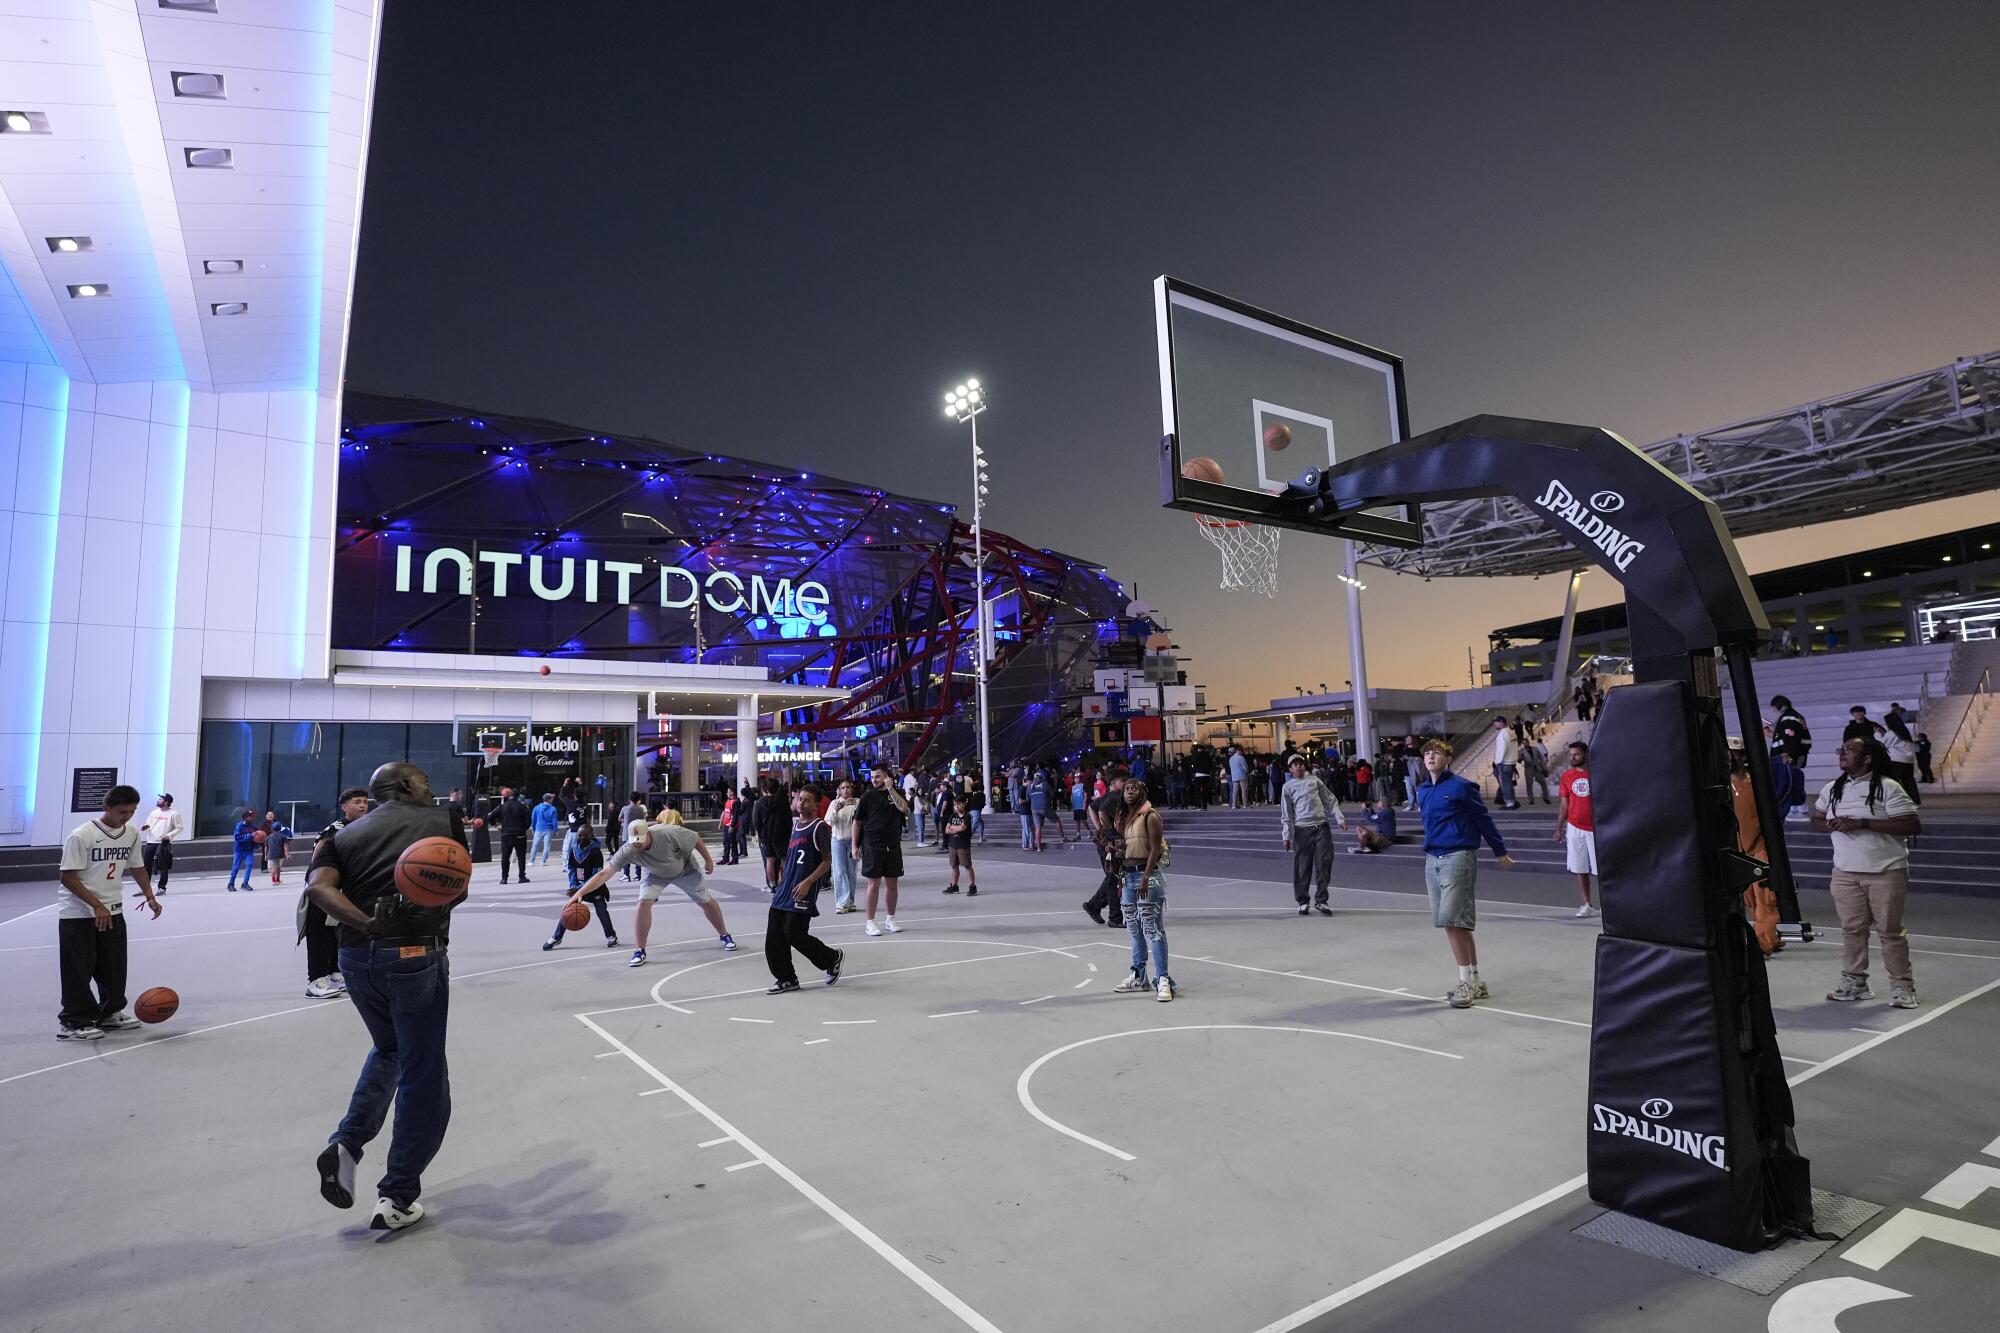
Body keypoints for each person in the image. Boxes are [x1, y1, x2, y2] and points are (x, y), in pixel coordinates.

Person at [307, 762, 466, 1231]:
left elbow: (318, 889)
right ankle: (397, 1195)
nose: (430, 788)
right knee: (424, 1074)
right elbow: (454, 887)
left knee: (390, 1048)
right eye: (425, 781)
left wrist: (366, 923)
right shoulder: (441, 820)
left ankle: (347, 1144)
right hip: (415, 956)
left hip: (356, 961)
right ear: (405, 786)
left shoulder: (344, 833)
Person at [1814, 738, 1922, 1008]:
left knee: (1889, 931)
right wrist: (1829, 823)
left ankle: (1902, 986)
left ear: (1868, 758)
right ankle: (1855, 982)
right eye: (1842, 749)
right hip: (1845, 872)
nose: (1843, 753)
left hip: (1885, 871)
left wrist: (1861, 823)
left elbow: (1911, 824)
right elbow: (1815, 818)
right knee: (1852, 929)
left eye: (1849, 750)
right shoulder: (1832, 788)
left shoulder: (1888, 787)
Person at [1415, 740, 1516, 1008]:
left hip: (1458, 857)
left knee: (1452, 919)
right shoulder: (1423, 790)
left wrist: (1500, 851)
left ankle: (1465, 984)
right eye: (1426, 753)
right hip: (1432, 859)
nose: (1430, 756)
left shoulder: (1461, 787)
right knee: (1454, 922)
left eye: (1436, 752)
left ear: (1448, 758)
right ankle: (1475, 980)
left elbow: (1484, 819)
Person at [56, 784, 161, 1041]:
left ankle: (111, 1013)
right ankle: (74, 1020)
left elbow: (137, 867)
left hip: (112, 909)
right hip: (79, 912)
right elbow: (67, 877)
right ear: (106, 807)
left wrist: (149, 895)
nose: (127, 816)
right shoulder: (81, 835)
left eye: (132, 811)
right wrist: (96, 905)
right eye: (122, 811)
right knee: (79, 969)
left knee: (113, 966)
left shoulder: (132, 834)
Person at [573, 808, 730, 966]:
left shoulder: (668, 833)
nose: (637, 846)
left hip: (685, 869)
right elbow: (603, 874)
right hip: (655, 874)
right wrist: (579, 893)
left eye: (640, 841)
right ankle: (639, 950)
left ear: (648, 833)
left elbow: (695, 838)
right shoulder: (628, 849)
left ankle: (724, 935)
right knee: (642, 904)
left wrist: (708, 860)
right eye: (635, 842)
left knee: (705, 901)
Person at [764, 784, 844, 994]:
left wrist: (808, 882)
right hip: (785, 890)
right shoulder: (795, 825)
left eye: (807, 800)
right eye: (800, 799)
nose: (802, 803)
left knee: (794, 933)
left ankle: (832, 957)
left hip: (803, 890)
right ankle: (787, 978)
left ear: (817, 804)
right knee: (774, 938)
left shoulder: (818, 828)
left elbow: (827, 861)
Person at [1110, 777, 1175, 1001]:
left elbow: (1155, 849)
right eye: (1126, 789)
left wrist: (1146, 877)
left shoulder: (1151, 816)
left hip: (1147, 876)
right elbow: (1128, 848)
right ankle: (1138, 975)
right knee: (1133, 928)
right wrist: (1115, 852)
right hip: (1127, 877)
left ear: (1142, 792)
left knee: (1153, 929)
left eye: (1133, 789)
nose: (1129, 792)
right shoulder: (1126, 819)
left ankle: (1163, 979)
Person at [301, 787, 370, 998]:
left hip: (343, 889)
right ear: (344, 807)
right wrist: (320, 883)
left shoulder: (365, 826)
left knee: (335, 933)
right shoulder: (336, 828)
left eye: (365, 802)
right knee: (319, 934)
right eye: (357, 802)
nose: (362, 805)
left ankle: (333, 973)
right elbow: (318, 858)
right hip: (323, 889)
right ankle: (316, 980)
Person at [1728, 739, 1783, 956]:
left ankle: (1763, 944)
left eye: (1732, 754)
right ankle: (1772, 937)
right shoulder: (1724, 783)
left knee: (1766, 899)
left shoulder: (1757, 783)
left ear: (1742, 756)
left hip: (1760, 847)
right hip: (1739, 847)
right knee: (1751, 899)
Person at [1279, 755, 1345, 916]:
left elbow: (1330, 800)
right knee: (1302, 867)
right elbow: (1286, 814)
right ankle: (1303, 901)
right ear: (1290, 769)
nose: (1299, 766)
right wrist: (1286, 836)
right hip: (1302, 830)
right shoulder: (1287, 787)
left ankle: (1321, 901)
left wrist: (1339, 817)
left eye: (1301, 764)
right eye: (1295, 765)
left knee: (1324, 863)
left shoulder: (1315, 781)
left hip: (1321, 827)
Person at [545, 823, 616, 950]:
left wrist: (579, 889)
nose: (581, 838)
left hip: (595, 887)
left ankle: (611, 936)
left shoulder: (595, 851)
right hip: (578, 886)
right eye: (579, 836)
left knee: (602, 912)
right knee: (568, 910)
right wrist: (573, 885)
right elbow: (571, 869)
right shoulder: (573, 849)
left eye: (585, 836)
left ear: (591, 836)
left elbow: (597, 876)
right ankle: (557, 937)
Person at [855, 766, 908, 936]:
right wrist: (855, 846)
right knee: (874, 884)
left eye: (877, 777)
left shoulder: (895, 793)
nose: (874, 780)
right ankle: (870, 922)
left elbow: (904, 808)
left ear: (886, 777)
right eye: (872, 777)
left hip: (892, 844)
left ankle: (890, 919)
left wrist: (891, 788)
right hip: (872, 844)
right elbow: (857, 822)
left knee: (892, 883)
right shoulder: (868, 796)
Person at [1553, 741, 1598, 917]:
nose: (1572, 757)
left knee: (1600, 869)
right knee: (1580, 868)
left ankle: (1610, 905)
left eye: (1576, 754)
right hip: (1574, 826)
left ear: (1585, 754)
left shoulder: (1596, 774)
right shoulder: (1567, 776)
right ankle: (1587, 904)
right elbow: (1564, 805)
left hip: (1595, 827)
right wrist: (1559, 827)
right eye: (1570, 755)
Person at [1080, 777, 1128, 927]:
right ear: (1114, 782)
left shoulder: (1106, 796)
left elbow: (1091, 808)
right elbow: (1101, 811)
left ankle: (1094, 905)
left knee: (1112, 876)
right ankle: (1114, 917)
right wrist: (1108, 831)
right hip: (1110, 842)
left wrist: (1099, 829)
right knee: (1114, 878)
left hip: (1106, 841)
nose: (1126, 784)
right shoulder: (1114, 797)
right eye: (1123, 780)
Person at [137, 793, 184, 897]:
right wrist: (145, 827)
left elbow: (179, 828)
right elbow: (149, 824)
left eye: (160, 799)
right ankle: (145, 889)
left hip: (163, 843)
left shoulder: (174, 814)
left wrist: (169, 835)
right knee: (146, 866)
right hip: (151, 842)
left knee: (163, 866)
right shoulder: (154, 813)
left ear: (166, 802)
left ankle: (162, 888)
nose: (157, 801)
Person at [826, 780, 861, 912]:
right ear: (839, 790)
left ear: (851, 789)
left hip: (852, 841)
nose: (845, 790)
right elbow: (829, 821)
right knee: (839, 871)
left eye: (848, 787)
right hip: (837, 840)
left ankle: (850, 901)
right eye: (843, 788)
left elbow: (861, 821)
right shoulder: (834, 803)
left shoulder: (857, 802)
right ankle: (842, 903)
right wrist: (835, 810)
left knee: (851, 871)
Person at [754, 777, 793, 889]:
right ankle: (786, 884)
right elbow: (788, 818)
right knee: (785, 861)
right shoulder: (783, 800)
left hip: (767, 837)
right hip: (782, 835)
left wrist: (761, 835)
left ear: (764, 789)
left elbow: (757, 822)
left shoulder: (759, 803)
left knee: (770, 861)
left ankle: (772, 885)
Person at [1880, 704, 1920, 806]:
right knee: (1909, 780)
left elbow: (1882, 743)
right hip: (1908, 760)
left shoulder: (1892, 733)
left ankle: (1896, 801)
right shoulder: (1904, 731)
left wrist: (1877, 734)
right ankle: (1914, 800)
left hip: (1896, 760)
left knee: (1893, 781)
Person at [941, 797, 979, 896]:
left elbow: (962, 828)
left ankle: (972, 886)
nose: (957, 807)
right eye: (955, 805)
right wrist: (956, 829)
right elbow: (946, 830)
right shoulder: (952, 816)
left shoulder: (967, 816)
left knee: (967, 865)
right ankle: (954, 885)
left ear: (964, 804)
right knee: (954, 866)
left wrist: (953, 828)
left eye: (959, 804)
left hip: (963, 845)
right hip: (952, 844)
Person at [495, 787, 531, 883]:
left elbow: (490, 816)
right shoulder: (522, 806)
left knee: (505, 856)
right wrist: (523, 829)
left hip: (506, 834)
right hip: (519, 834)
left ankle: (504, 878)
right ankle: (521, 876)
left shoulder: (502, 806)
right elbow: (528, 821)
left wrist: (497, 825)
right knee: (521, 856)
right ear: (518, 796)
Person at [614, 790, 649, 881]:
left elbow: (619, 819)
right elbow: (643, 819)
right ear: (638, 799)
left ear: (630, 799)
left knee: (626, 855)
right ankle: (638, 875)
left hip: (627, 834)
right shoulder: (641, 809)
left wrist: (625, 821)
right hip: (639, 834)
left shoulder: (625, 808)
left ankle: (626, 875)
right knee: (638, 854)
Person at [1770, 695, 1811, 766]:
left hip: (1787, 759)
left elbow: (1790, 740)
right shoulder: (1796, 716)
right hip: (1795, 756)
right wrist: (1773, 735)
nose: (1774, 711)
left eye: (1774, 708)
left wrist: (1789, 759)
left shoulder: (1788, 718)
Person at [1489, 717, 1520, 809]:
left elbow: (1502, 749)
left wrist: (1497, 761)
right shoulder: (1511, 732)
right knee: (1509, 783)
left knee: (1505, 784)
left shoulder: (1503, 733)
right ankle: (1513, 801)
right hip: (1511, 761)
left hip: (1504, 762)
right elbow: (1515, 746)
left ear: (1501, 723)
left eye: (1496, 722)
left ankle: (1510, 803)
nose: (1494, 724)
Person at [529, 792, 561, 864]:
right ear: (548, 799)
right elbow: (554, 820)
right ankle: (543, 861)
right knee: (547, 846)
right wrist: (556, 829)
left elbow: (533, 819)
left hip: (538, 829)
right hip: (549, 829)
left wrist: (533, 828)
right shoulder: (553, 809)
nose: (552, 799)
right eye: (551, 798)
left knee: (535, 845)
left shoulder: (537, 808)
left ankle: (531, 861)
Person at [1027, 767, 1053, 851]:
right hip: (1044, 807)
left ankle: (1038, 847)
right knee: (1056, 820)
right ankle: (1063, 837)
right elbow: (1052, 795)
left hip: (1034, 808)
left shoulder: (1030, 786)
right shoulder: (1045, 784)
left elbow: (1028, 798)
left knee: (1037, 828)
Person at [1521, 738, 1552, 806]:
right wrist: (1520, 759)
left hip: (1537, 769)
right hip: (1528, 770)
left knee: (1543, 784)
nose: (1525, 744)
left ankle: (1546, 798)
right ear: (1522, 744)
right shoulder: (1521, 751)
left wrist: (1544, 768)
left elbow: (1541, 758)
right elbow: (1519, 759)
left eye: (1526, 742)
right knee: (1529, 785)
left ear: (1528, 742)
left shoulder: (1535, 749)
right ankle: (1531, 800)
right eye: (1523, 743)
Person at [265, 812, 294, 885]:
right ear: (280, 828)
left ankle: (273, 880)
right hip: (280, 853)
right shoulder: (283, 836)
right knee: (278, 867)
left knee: (273, 868)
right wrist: (287, 853)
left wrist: (265, 855)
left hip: (271, 854)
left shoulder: (268, 837)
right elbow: (286, 845)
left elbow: (266, 846)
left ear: (272, 828)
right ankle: (277, 879)